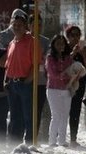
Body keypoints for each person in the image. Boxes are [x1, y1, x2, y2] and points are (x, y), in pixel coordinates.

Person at [45, 34, 82, 147]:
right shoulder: (50, 58)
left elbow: (72, 68)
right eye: (58, 44)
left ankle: (62, 140)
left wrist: (74, 75)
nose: (60, 46)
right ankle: (52, 141)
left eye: (62, 44)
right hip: (53, 89)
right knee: (56, 115)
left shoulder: (67, 58)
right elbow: (53, 74)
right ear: (53, 45)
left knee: (65, 115)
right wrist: (67, 76)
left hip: (66, 89)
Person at [4, 12, 35, 145]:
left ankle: (29, 144)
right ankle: (14, 144)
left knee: (28, 117)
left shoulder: (31, 41)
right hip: (12, 84)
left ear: (25, 27)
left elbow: (36, 64)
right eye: (14, 25)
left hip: (24, 84)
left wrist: (27, 80)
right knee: (15, 117)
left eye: (20, 25)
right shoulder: (11, 43)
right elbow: (8, 64)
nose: (17, 27)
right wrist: (5, 80)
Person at [65, 25, 86, 147]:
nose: (75, 38)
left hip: (78, 85)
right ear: (68, 36)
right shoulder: (63, 49)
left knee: (75, 110)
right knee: (62, 111)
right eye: (72, 35)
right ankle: (60, 137)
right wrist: (73, 53)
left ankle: (73, 138)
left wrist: (84, 55)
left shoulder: (83, 50)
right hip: (64, 85)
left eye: (78, 35)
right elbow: (62, 65)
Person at [28, 13, 50, 142]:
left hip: (41, 80)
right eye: (35, 25)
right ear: (29, 26)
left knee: (38, 111)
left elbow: (46, 59)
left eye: (40, 25)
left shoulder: (45, 41)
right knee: (26, 111)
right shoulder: (24, 39)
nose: (37, 28)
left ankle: (34, 138)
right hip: (26, 79)